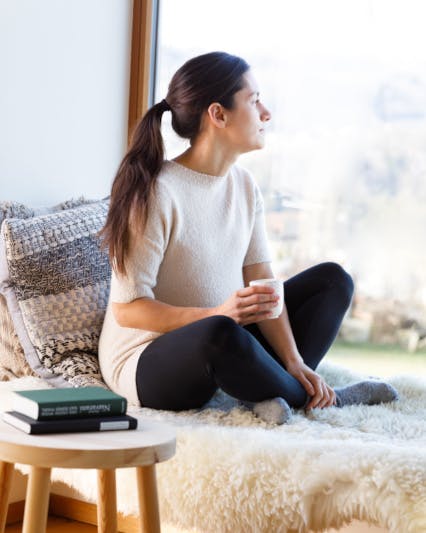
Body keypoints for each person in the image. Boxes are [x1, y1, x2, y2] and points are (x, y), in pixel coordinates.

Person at [98, 51, 398, 424]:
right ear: (218, 114)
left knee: (332, 281)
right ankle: (326, 401)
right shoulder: (157, 192)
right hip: (145, 361)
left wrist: (294, 361)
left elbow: (264, 287)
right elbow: (128, 309)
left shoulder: (244, 185)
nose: (266, 113)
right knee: (219, 333)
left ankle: (278, 388)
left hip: (224, 331)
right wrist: (215, 314)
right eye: (254, 101)